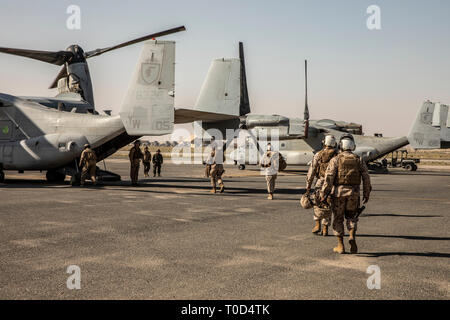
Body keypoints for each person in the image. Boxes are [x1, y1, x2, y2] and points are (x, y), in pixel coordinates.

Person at [320, 136, 372, 254]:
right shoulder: (359, 159)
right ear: (352, 146)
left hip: (338, 193)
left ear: (341, 146)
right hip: (354, 193)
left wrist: (324, 194)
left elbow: (329, 178)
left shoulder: (336, 159)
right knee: (352, 216)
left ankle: (340, 246)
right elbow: (366, 177)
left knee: (338, 219)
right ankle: (352, 236)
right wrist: (366, 193)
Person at [305, 135, 337, 236]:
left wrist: (308, 185)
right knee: (328, 204)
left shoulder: (318, 155)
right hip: (333, 184)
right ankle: (325, 228)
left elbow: (312, 170)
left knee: (317, 203)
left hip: (320, 182)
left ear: (324, 143)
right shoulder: (337, 155)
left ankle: (317, 224)